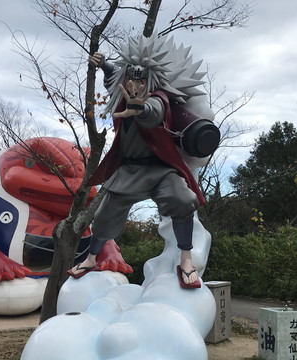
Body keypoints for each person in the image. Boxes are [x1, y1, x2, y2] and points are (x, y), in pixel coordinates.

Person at [68, 34, 218, 288]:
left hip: (160, 169)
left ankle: (186, 261)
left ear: (150, 79)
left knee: (182, 200)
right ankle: (91, 258)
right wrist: (104, 63)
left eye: (141, 78)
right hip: (128, 170)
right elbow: (114, 76)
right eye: (131, 76)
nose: (134, 82)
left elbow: (155, 110)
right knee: (104, 217)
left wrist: (141, 109)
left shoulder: (158, 97)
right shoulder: (121, 91)